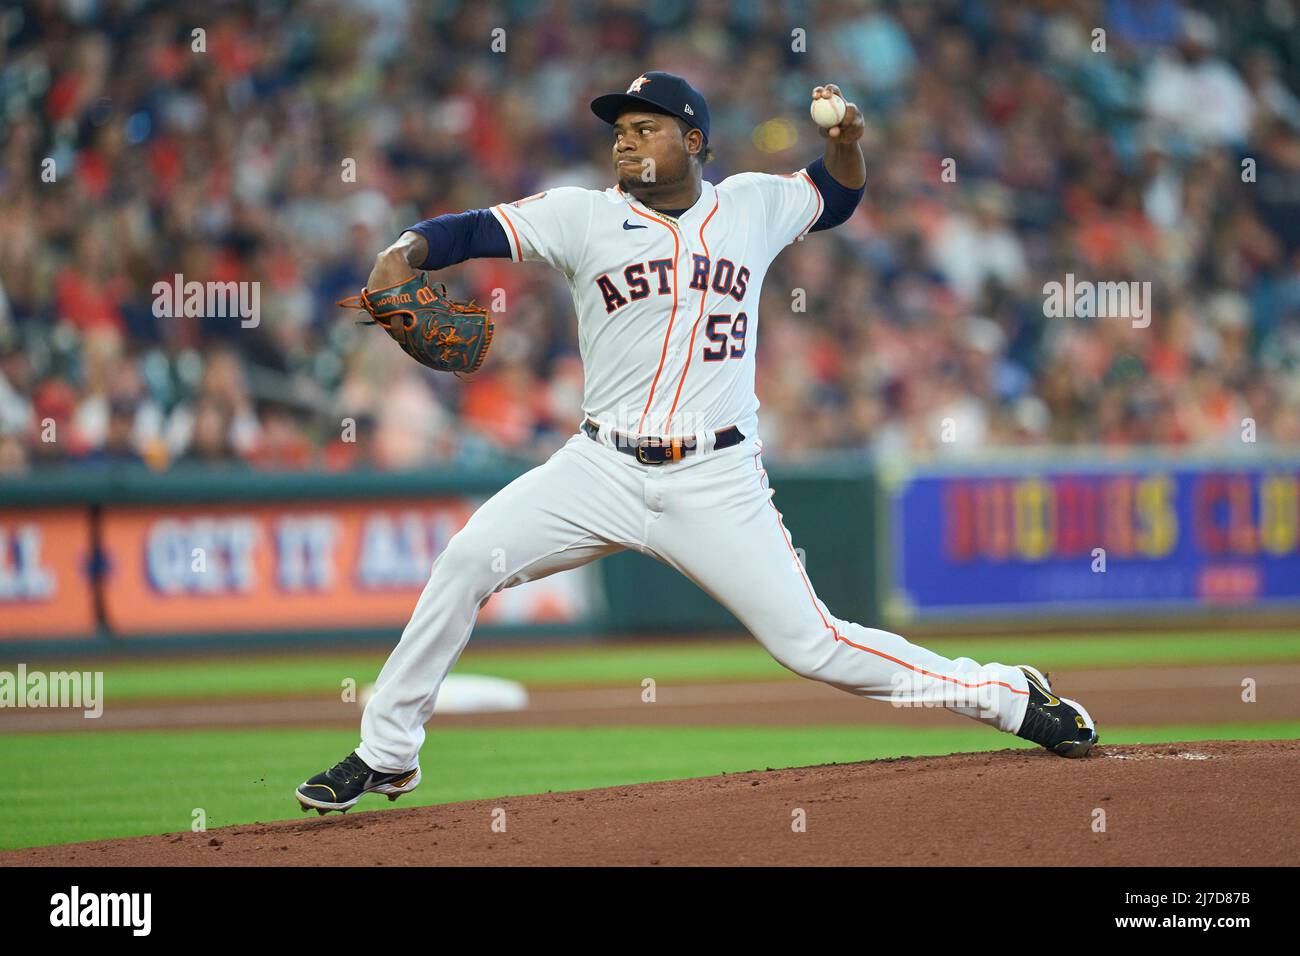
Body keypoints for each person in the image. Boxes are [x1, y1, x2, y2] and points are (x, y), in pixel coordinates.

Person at [296, 73, 1097, 814]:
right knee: (469, 559)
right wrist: (401, 251)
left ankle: (1009, 696)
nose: (624, 140)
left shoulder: (750, 204)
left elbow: (837, 196)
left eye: (645, 128)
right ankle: (388, 753)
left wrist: (847, 140)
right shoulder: (582, 215)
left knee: (813, 647)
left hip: (716, 477)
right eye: (619, 130)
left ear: (695, 143)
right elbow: (469, 230)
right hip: (598, 466)